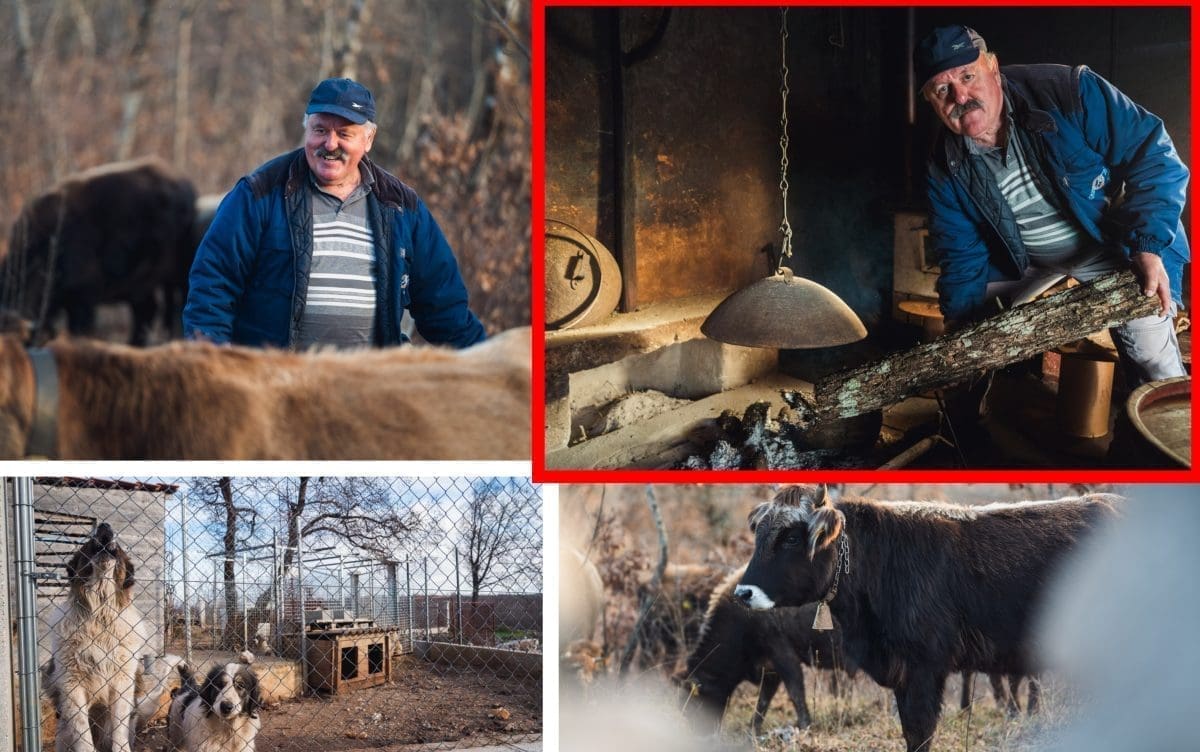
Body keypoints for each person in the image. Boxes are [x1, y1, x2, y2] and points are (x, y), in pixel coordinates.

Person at [914, 25, 1189, 387]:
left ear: (993, 67)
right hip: (1025, 259)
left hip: (1112, 244)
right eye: (942, 89)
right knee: (972, 336)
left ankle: (1168, 419)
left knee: (1153, 361)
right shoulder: (944, 162)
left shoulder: (1067, 90)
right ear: (931, 101)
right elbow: (959, 248)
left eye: (968, 76)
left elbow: (1154, 156)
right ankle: (971, 414)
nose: (960, 96)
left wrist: (1148, 245)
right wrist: (959, 332)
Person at [184, 77, 486, 349]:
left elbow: (444, 308)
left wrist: (491, 363)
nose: (330, 144)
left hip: (367, 383)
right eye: (320, 130)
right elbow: (213, 285)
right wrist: (211, 361)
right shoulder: (260, 193)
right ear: (306, 129)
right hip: (276, 383)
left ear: (368, 140)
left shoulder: (400, 207)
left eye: (344, 133)